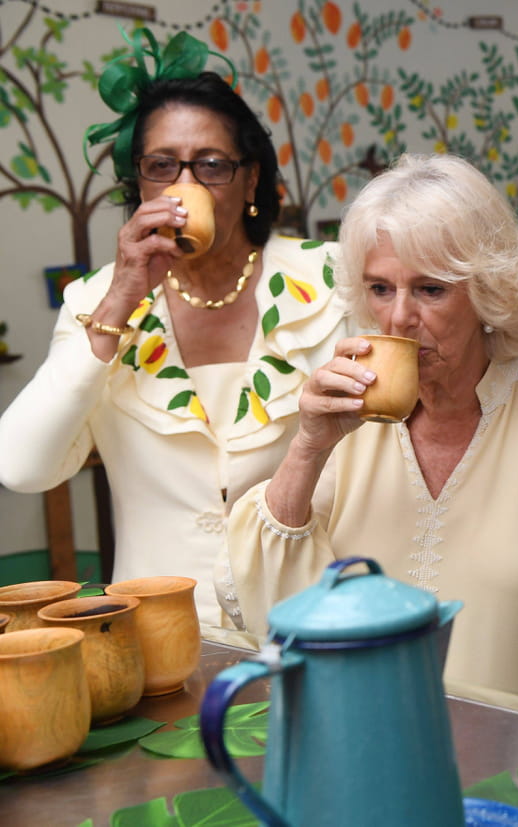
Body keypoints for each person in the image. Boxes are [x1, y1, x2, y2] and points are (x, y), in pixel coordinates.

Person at [223, 153, 518, 711]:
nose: (399, 318)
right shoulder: (347, 410)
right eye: (380, 288)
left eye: (431, 289)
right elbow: (259, 600)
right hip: (369, 735)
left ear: (488, 291)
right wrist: (309, 446)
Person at [0, 32, 353, 626]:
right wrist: (119, 300)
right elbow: (21, 467)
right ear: (139, 183)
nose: (183, 184)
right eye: (161, 165)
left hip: (315, 618)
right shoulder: (95, 301)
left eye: (211, 164)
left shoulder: (332, 278)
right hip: (160, 631)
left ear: (250, 180)